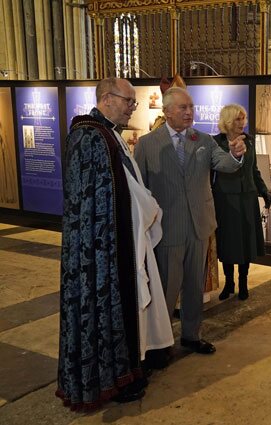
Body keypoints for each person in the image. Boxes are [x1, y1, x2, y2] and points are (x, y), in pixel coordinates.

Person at [58, 77, 173, 410]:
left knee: (123, 308)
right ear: (107, 99)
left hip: (116, 242)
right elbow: (85, 202)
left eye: (134, 102)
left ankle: (124, 370)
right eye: (128, 101)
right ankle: (109, 381)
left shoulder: (109, 135)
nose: (132, 108)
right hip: (98, 251)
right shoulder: (88, 137)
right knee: (103, 312)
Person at [135, 87, 246, 355]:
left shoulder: (204, 141)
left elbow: (225, 164)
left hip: (199, 227)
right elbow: (140, 188)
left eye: (191, 107)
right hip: (167, 228)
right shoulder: (148, 144)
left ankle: (191, 335)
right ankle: (159, 343)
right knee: (166, 288)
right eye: (183, 108)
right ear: (167, 111)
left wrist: (236, 154)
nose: (189, 112)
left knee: (195, 286)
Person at [212, 104, 271, 301]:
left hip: (247, 198)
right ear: (228, 122)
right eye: (238, 119)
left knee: (245, 243)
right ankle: (229, 283)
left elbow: (254, 171)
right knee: (228, 243)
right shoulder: (215, 144)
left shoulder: (250, 142)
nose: (242, 123)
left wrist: (264, 192)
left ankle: (243, 283)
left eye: (243, 118)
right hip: (224, 199)